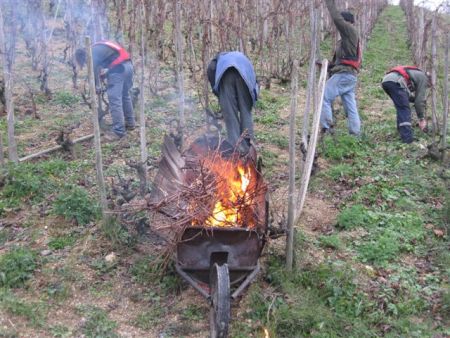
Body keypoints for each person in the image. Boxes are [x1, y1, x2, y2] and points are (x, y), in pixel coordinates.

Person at [75, 40, 135, 141]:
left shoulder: (90, 54)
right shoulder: (98, 46)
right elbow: (115, 59)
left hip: (119, 69)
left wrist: (95, 88)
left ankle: (118, 132)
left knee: (115, 101)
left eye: (84, 62)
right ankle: (130, 123)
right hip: (128, 66)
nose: (86, 63)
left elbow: (92, 74)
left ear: (83, 56)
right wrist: (106, 74)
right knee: (125, 96)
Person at [320, 0, 361, 136]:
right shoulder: (347, 39)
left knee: (324, 97)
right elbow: (344, 59)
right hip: (349, 75)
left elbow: (336, 18)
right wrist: (328, 66)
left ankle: (327, 128)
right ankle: (355, 133)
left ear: (347, 22)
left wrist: (329, 3)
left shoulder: (349, 30)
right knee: (350, 105)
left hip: (344, 74)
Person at [207, 51, 258, 154]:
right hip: (244, 76)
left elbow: (211, 71)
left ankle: (237, 149)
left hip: (226, 75)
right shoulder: (240, 57)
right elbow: (254, 87)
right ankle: (249, 146)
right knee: (245, 112)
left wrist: (221, 97)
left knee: (230, 114)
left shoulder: (215, 62)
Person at [381, 66, 429, 143]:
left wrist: (414, 99)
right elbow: (419, 102)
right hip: (396, 82)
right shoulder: (424, 79)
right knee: (404, 109)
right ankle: (407, 139)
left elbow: (407, 96)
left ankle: (401, 133)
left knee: (401, 107)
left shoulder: (417, 74)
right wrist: (421, 118)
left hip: (386, 81)